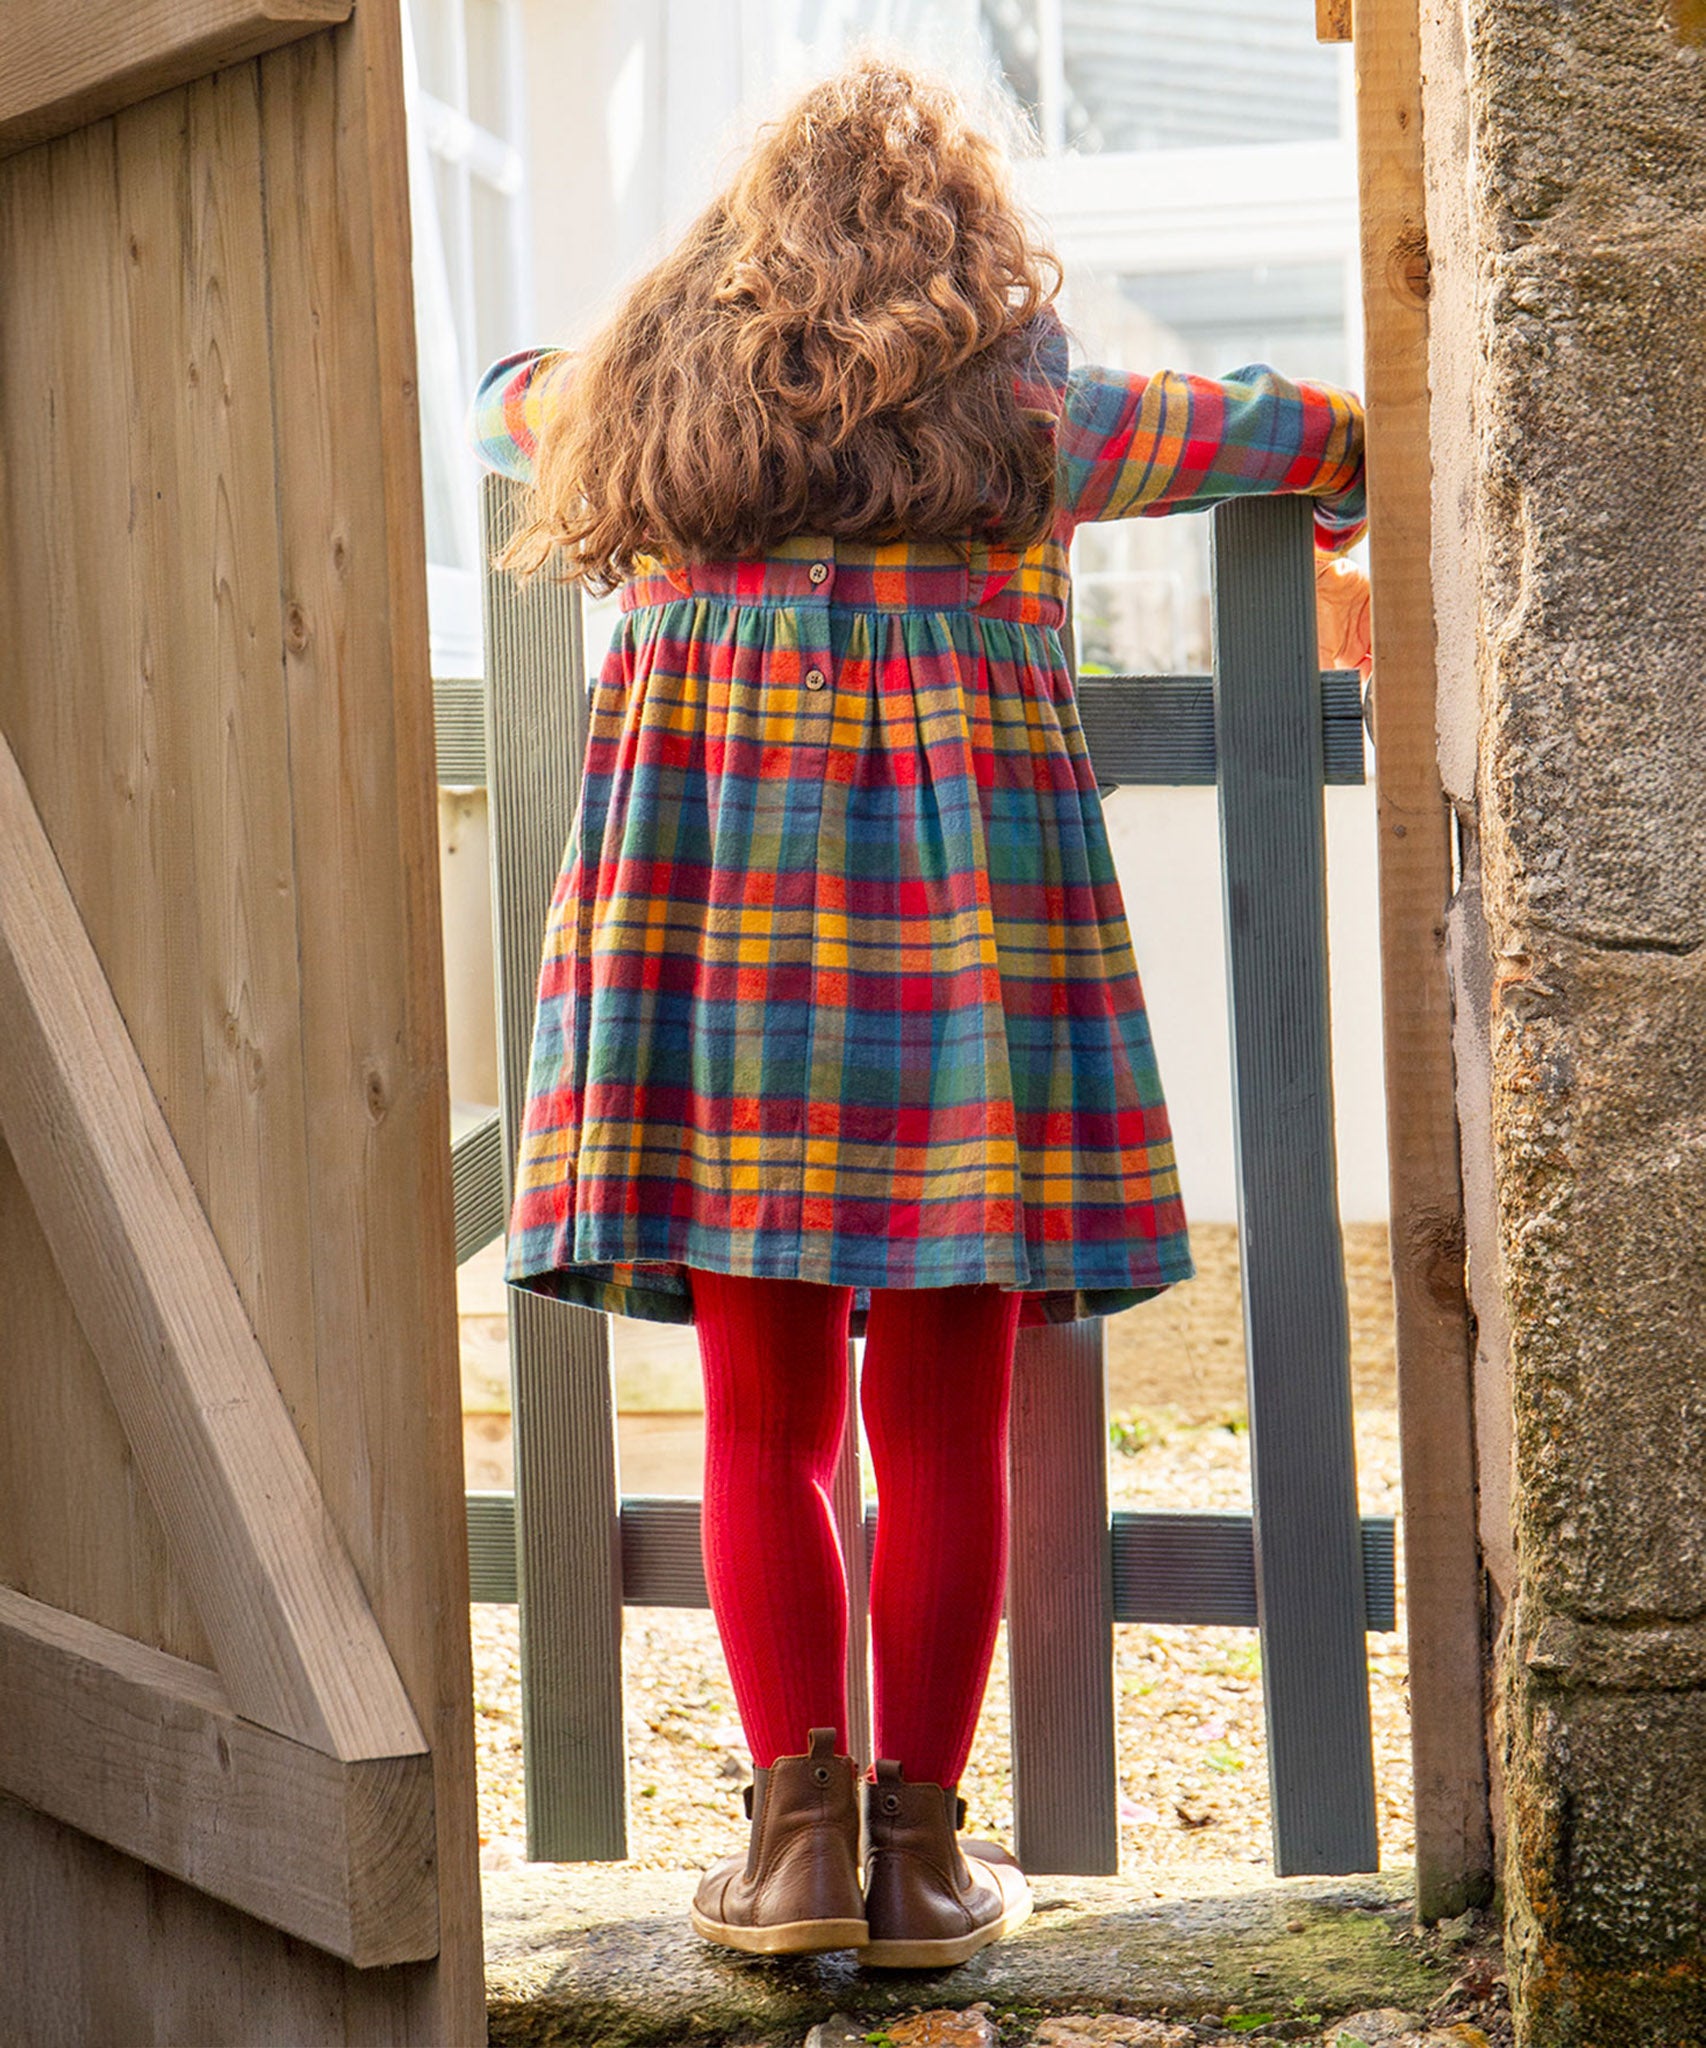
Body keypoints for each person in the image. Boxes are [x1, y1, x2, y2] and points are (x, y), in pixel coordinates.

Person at [467, 55, 1370, 1969]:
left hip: (710, 985)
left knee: (758, 1418)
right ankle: (922, 1868)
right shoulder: (1038, 417)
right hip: (961, 980)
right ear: (965, 246)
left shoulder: (636, 404)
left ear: (732, 252)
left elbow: (499, 403)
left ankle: (791, 1859)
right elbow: (1277, 427)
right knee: (945, 1429)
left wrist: (589, 372)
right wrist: (1346, 470)